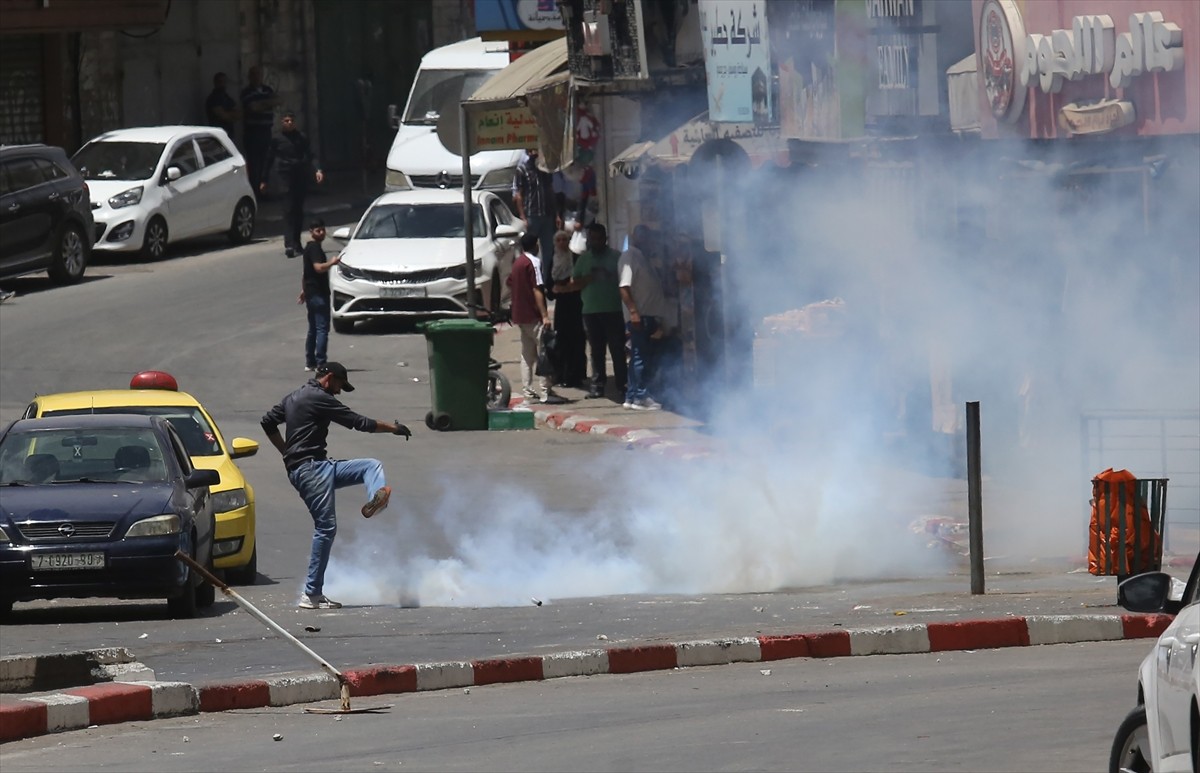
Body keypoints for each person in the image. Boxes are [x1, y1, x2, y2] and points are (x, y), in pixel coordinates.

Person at [261, 362, 412, 609]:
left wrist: (286, 453)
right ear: (329, 378)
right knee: (325, 528)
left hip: (320, 467)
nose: (340, 391)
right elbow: (358, 422)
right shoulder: (320, 398)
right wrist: (393, 428)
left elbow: (267, 422)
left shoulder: (292, 397)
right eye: (341, 385)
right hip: (311, 470)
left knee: (370, 466)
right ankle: (311, 595)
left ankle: (378, 497)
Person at [559, 222, 625, 400]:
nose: (595, 242)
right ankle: (597, 386)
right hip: (591, 311)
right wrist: (591, 277)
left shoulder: (616, 257)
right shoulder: (584, 259)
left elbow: (625, 281)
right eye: (592, 238)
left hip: (613, 310)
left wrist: (609, 276)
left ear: (605, 239)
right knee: (596, 351)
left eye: (598, 238)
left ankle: (622, 385)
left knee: (617, 350)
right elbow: (574, 283)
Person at [618, 224, 670, 411]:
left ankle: (632, 396)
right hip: (640, 317)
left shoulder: (642, 257)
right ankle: (640, 395)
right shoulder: (630, 256)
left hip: (647, 316)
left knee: (638, 356)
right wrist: (633, 312)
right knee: (641, 357)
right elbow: (624, 287)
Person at [262, 111, 325, 257]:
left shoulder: (301, 138)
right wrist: (263, 180)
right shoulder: (277, 139)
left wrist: (318, 170)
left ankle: (297, 243)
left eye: (291, 120)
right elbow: (268, 159)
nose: (289, 123)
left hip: (300, 177)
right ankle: (289, 244)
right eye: (286, 120)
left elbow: (311, 155)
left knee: (298, 212)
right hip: (284, 178)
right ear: (282, 123)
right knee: (288, 211)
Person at [508, 232, 557, 404]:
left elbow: (509, 282)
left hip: (520, 316)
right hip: (533, 316)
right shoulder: (533, 263)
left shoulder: (518, 263)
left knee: (527, 356)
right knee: (544, 352)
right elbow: (538, 289)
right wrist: (545, 315)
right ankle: (546, 391)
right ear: (535, 245)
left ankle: (528, 391)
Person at [512, 147, 562, 288]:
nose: (535, 154)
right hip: (532, 214)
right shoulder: (522, 170)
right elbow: (519, 195)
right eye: (532, 151)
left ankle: (546, 282)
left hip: (546, 214)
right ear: (528, 153)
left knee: (548, 251)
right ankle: (532, 281)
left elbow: (551, 192)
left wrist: (557, 214)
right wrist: (523, 216)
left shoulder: (545, 170)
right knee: (531, 250)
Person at [300, 217, 340, 371]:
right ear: (311, 232)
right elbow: (318, 268)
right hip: (319, 294)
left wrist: (304, 290)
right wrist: (332, 262)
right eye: (318, 230)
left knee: (313, 329)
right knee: (322, 329)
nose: (322, 232)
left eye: (323, 229)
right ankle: (321, 363)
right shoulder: (315, 249)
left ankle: (310, 362)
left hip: (311, 294)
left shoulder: (309, 248)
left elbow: (305, 274)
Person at [549, 229, 587, 388]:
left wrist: (571, 286)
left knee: (577, 340)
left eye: (564, 240)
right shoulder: (552, 260)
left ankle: (576, 375)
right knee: (561, 340)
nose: (562, 243)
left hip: (576, 304)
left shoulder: (575, 258)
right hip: (562, 305)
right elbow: (548, 284)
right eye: (558, 240)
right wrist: (554, 289)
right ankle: (560, 375)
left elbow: (581, 279)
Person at [240, 65, 279, 191]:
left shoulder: (268, 90)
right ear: (250, 77)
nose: (257, 77)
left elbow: (278, 101)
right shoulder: (246, 92)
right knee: (254, 164)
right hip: (253, 133)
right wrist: (267, 104)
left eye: (259, 74)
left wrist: (262, 104)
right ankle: (254, 191)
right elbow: (253, 108)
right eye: (254, 74)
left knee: (265, 163)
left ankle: (264, 190)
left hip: (266, 131)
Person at [205, 72, 241, 140]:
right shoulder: (213, 98)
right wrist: (231, 115)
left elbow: (239, 114)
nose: (222, 84)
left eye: (224, 82)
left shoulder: (227, 97)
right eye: (220, 81)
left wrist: (229, 114)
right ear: (215, 82)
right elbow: (224, 116)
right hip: (217, 137)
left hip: (229, 135)